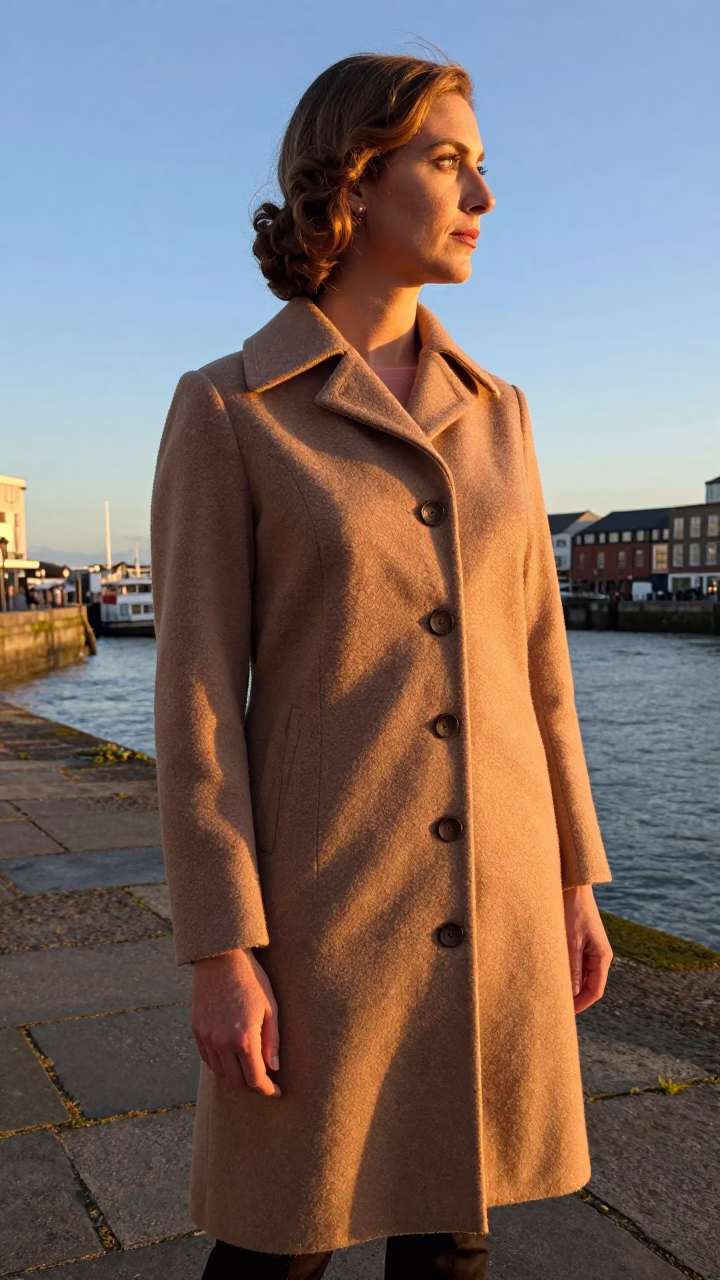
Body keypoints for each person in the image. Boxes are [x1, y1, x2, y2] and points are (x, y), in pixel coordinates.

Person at [150, 52, 614, 1280]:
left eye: (479, 164)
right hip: (322, 910)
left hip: (502, 890)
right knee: (275, 1241)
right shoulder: (231, 410)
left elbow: (539, 666)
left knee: (455, 1228)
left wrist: (573, 874)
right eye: (449, 161)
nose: (484, 194)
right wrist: (220, 948)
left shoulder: (500, 411)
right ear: (351, 183)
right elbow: (197, 702)